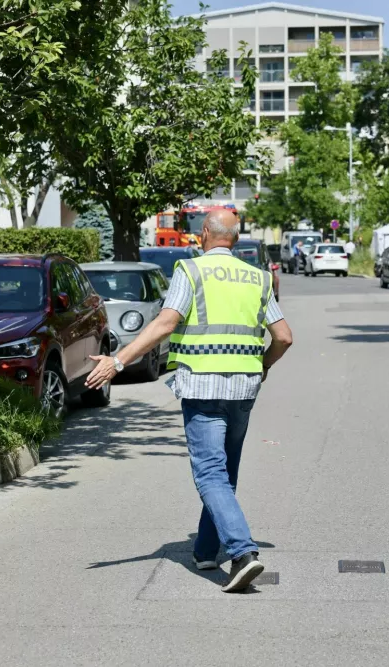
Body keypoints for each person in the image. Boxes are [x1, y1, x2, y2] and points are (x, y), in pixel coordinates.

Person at [85, 209, 293, 593]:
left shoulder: (191, 271)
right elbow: (283, 337)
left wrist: (117, 361)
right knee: (224, 472)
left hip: (202, 388)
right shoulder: (260, 278)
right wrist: (262, 367)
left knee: (210, 473)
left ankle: (244, 553)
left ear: (202, 237)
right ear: (236, 237)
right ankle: (206, 549)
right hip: (243, 389)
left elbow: (165, 323)